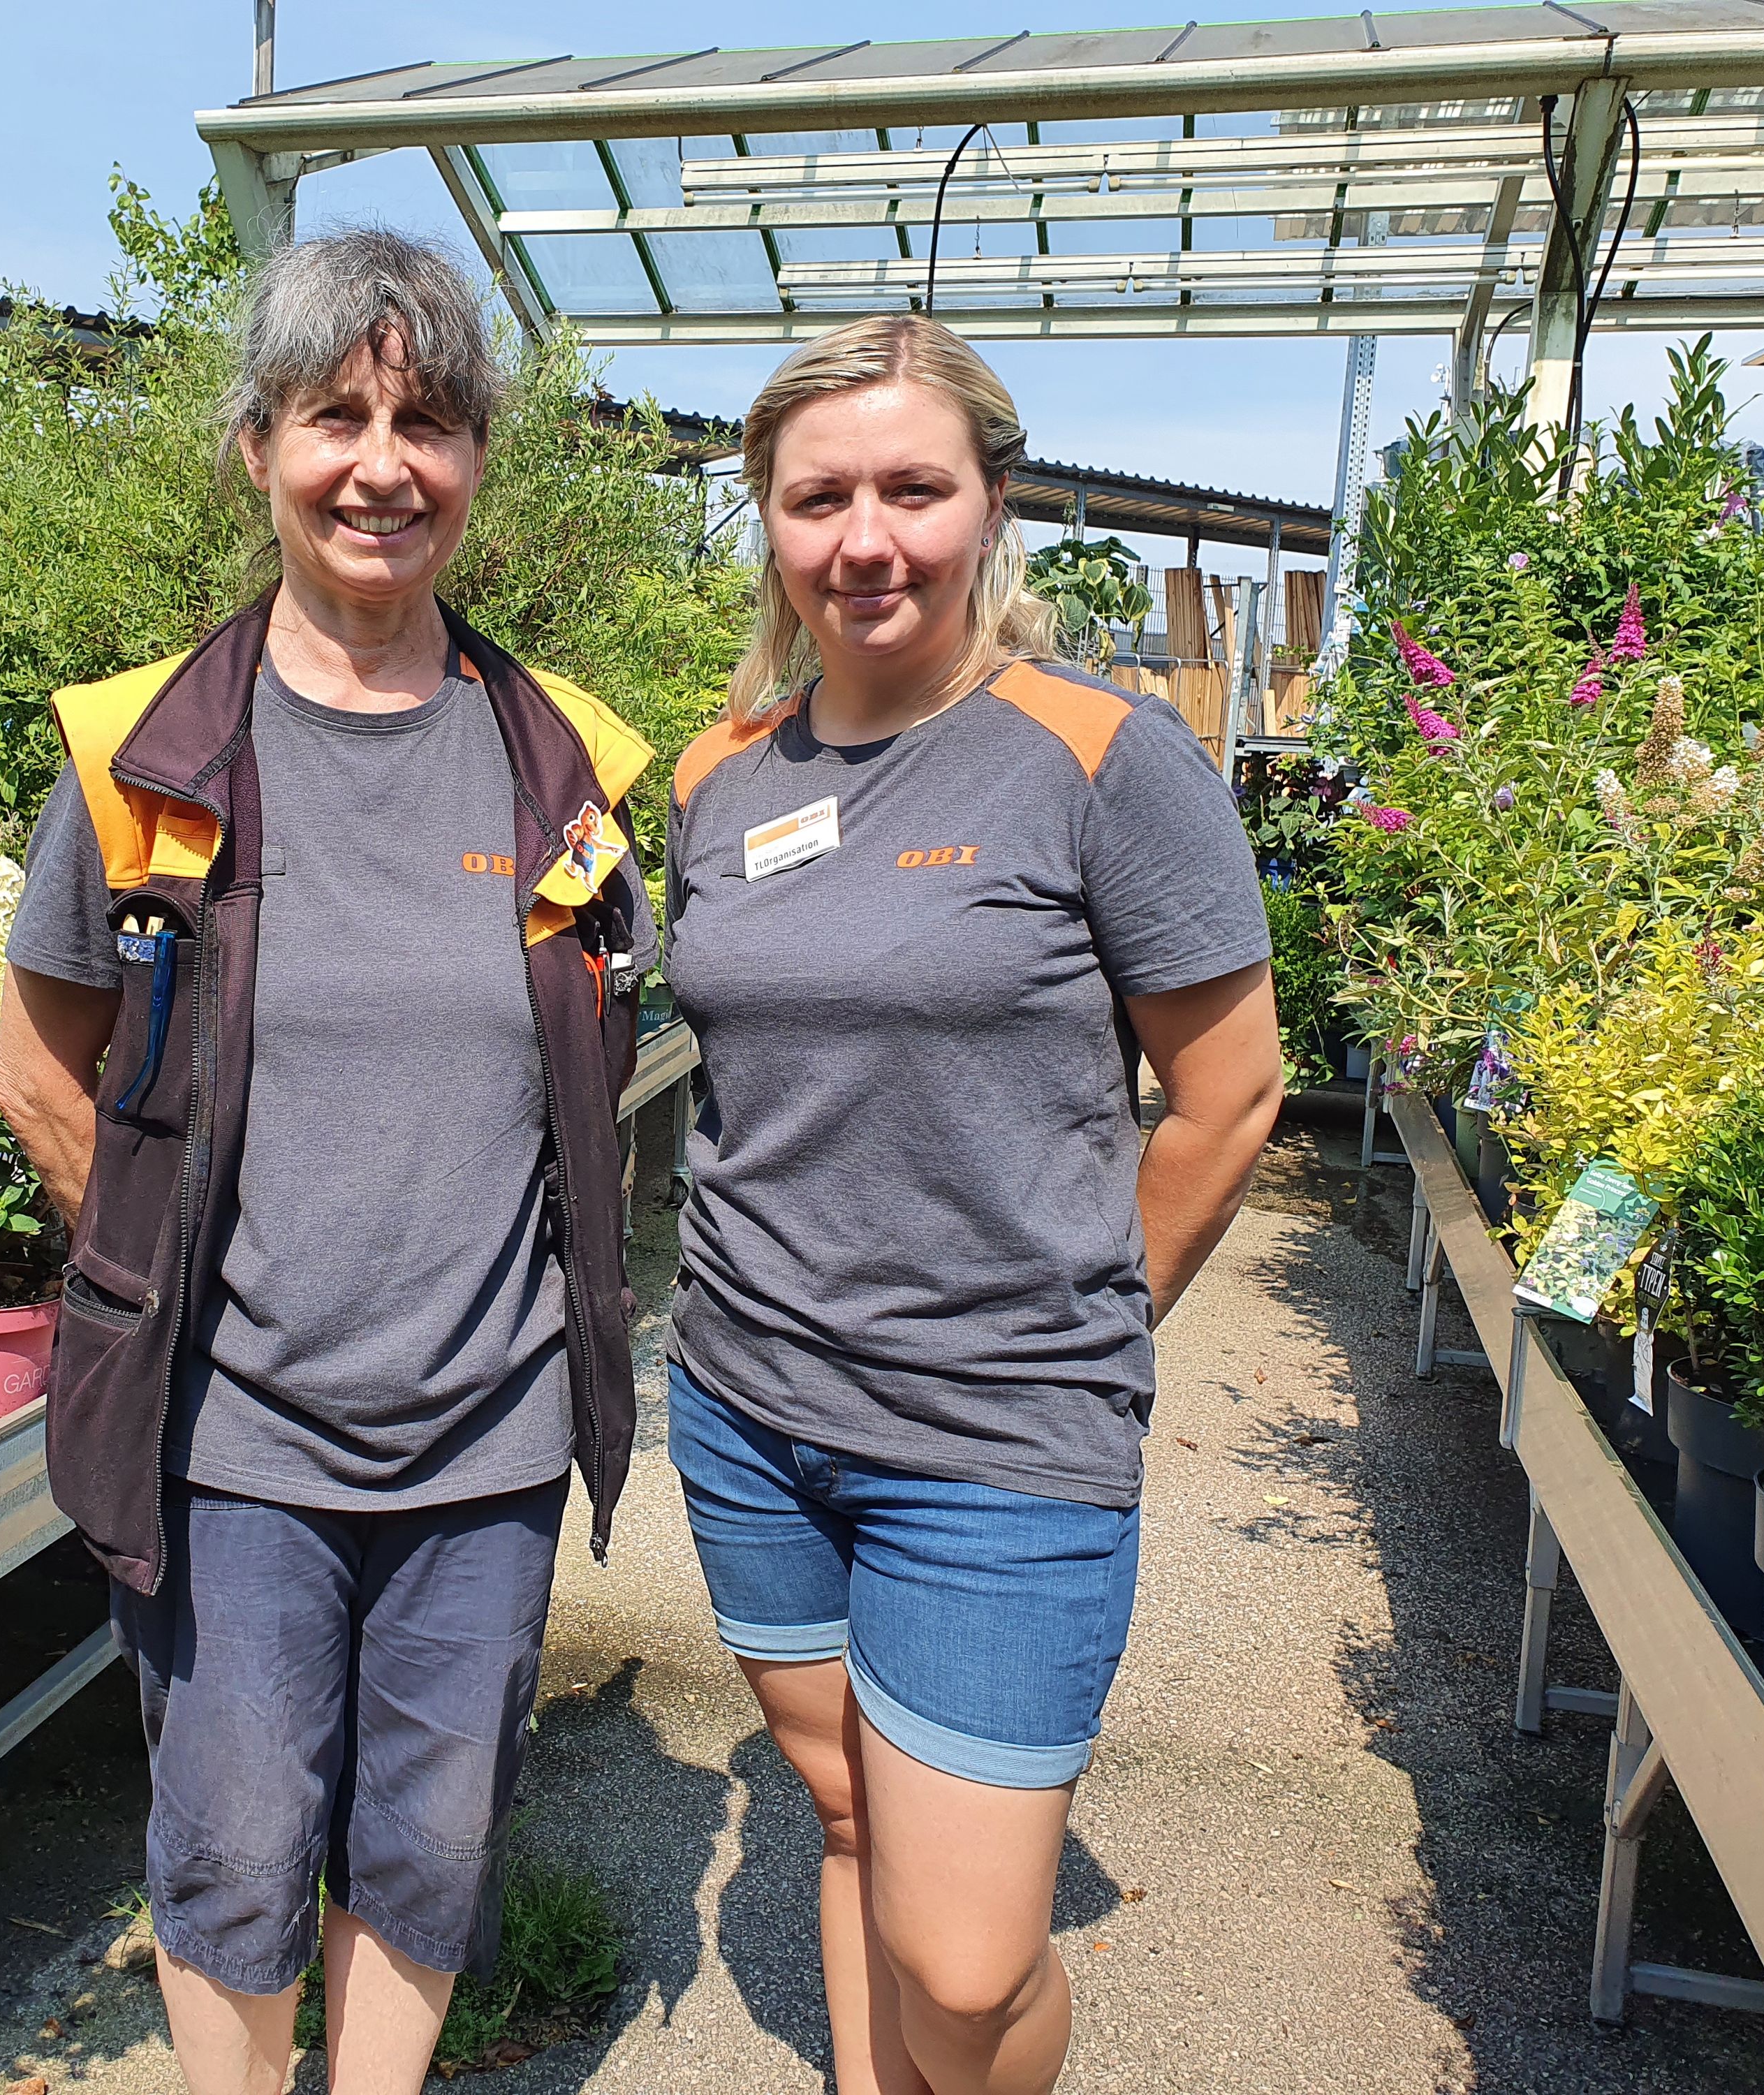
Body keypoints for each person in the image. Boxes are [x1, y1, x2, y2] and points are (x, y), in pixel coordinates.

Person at [0, 226, 652, 2095]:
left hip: (489, 1434)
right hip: (229, 1439)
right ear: (259, 444)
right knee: (234, 1847)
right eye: (336, 416)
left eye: (429, 419)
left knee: (432, 1845)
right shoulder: (145, 753)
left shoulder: (567, 770)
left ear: (478, 461)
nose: (384, 463)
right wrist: (164, 1267)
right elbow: (39, 1064)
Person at [661, 315, 1282, 2095]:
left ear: (987, 502)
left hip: (992, 1437)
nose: (865, 538)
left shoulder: (1097, 755)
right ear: (769, 523)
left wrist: (1073, 1327)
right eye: (818, 496)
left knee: (968, 1947)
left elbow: (1227, 1095)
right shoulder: (723, 775)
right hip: (746, 1412)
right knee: (850, 1815)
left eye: (910, 489)